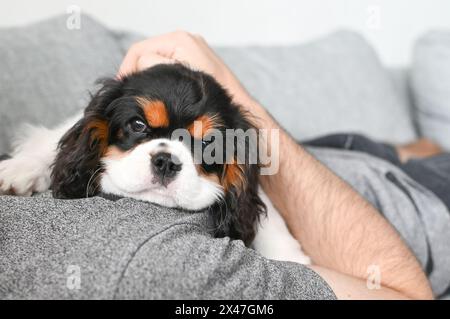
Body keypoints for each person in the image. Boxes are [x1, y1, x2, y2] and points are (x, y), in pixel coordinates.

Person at [116, 31, 450, 300]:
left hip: (326, 151)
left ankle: (411, 148)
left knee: (385, 146)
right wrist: (233, 91)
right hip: (411, 191)